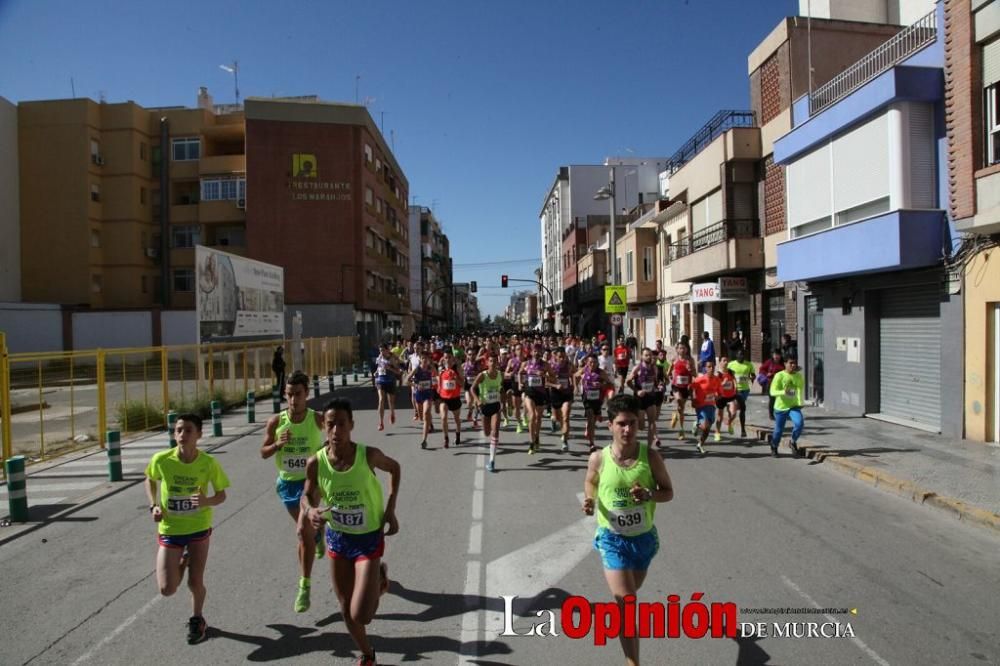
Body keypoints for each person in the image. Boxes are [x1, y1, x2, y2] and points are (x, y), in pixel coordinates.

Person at [303, 398, 400, 666]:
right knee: (346, 609)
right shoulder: (316, 463)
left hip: (368, 539)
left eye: (342, 424)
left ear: (351, 426)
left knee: (362, 615)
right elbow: (307, 495)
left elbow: (395, 468)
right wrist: (310, 510)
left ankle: (378, 580)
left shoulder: (368, 455)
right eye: (331, 424)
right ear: (324, 426)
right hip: (338, 539)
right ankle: (368, 654)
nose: (336, 431)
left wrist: (390, 509)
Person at [582, 394, 674, 666]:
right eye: (621, 423)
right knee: (628, 605)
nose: (628, 429)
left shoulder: (651, 457)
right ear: (609, 425)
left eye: (633, 423)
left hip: (643, 541)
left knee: (629, 597)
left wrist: (649, 495)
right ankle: (633, 662)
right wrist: (589, 499)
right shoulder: (598, 458)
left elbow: (668, 492)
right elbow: (590, 482)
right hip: (612, 540)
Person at [145, 413, 229, 645]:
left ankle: (197, 619)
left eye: (188, 430)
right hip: (170, 529)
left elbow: (222, 495)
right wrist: (153, 505)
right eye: (178, 430)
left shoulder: (208, 463)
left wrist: (206, 502)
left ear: (199, 435)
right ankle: (183, 561)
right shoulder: (162, 460)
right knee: (167, 589)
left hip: (198, 528)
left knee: (194, 582)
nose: (182, 435)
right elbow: (150, 478)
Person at [260, 371, 327, 612]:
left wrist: (328, 448)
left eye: (297, 394)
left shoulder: (317, 419)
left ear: (307, 394)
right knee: (308, 532)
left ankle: (304, 586)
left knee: (301, 531)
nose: (293, 400)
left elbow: (336, 437)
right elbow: (263, 452)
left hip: (311, 483)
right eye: (289, 395)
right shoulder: (276, 422)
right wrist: (278, 444)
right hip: (287, 484)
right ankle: (318, 536)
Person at [471, 354, 504, 472]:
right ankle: (478, 415)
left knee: (495, 432)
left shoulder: (500, 374)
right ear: (487, 363)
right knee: (486, 433)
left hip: (495, 405)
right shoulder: (482, 375)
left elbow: (501, 389)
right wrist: (478, 400)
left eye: (495, 361)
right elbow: (472, 389)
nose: (493, 363)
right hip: (484, 407)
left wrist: (504, 402)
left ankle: (492, 461)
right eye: (491, 361)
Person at [575, 353, 614, 452]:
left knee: (593, 419)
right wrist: (576, 388)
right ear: (587, 363)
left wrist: (601, 384)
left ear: (597, 363)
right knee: (591, 418)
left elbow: (610, 384)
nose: (592, 364)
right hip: (586, 398)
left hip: (597, 399)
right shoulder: (584, 370)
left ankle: (591, 423)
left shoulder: (601, 373)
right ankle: (592, 443)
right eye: (590, 362)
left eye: (594, 362)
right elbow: (575, 376)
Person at [770, 356, 805, 458]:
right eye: (791, 363)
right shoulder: (779, 376)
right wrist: (783, 392)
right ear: (785, 364)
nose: (793, 365)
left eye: (794, 363)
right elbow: (772, 392)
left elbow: (799, 390)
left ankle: (793, 442)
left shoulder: (798, 376)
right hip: (781, 407)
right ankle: (774, 445)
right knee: (779, 430)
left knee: (799, 423)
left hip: (793, 406)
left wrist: (800, 403)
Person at [627, 348, 660, 451]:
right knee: (641, 426)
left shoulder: (654, 368)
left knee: (652, 422)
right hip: (639, 399)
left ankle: (649, 448)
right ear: (641, 356)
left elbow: (655, 382)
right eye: (646, 355)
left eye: (650, 355)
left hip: (650, 397)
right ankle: (633, 443)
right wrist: (637, 391)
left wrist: (658, 386)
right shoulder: (637, 368)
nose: (649, 357)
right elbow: (628, 382)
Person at [690, 358, 722, 456]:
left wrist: (717, 397)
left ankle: (700, 444)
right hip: (701, 406)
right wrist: (693, 399)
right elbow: (691, 388)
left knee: (707, 429)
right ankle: (696, 425)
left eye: (712, 366)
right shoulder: (700, 379)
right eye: (709, 367)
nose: (711, 368)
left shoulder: (717, 379)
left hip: (711, 406)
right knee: (704, 426)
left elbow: (719, 392)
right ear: (705, 368)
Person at [406, 352, 436, 449]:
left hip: (428, 394)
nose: (425, 360)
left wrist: (436, 381)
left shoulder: (431, 368)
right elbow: (406, 380)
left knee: (426, 412)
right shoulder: (417, 369)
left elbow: (438, 376)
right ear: (420, 360)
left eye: (426, 359)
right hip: (418, 395)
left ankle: (424, 440)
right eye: (423, 358)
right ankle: (429, 423)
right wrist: (415, 385)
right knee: (422, 417)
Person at [437, 349, 466, 448]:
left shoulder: (457, 369)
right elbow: (439, 381)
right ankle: (446, 438)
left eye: (449, 357)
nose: (448, 359)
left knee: (456, 419)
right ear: (443, 359)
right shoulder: (441, 369)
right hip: (444, 398)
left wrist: (455, 378)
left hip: (455, 398)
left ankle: (458, 435)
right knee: (443, 418)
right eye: (446, 357)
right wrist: (439, 388)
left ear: (453, 358)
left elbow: (462, 384)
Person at [549, 348, 575, 452]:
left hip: (567, 394)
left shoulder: (569, 365)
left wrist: (574, 384)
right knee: (557, 418)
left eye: (564, 356)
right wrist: (555, 385)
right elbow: (545, 382)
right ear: (556, 357)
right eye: (560, 357)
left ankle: (564, 440)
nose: (562, 359)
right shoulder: (551, 367)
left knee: (565, 417)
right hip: (555, 394)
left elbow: (575, 374)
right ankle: (553, 420)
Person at [372, 344, 403, 432]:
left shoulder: (392, 359)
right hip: (380, 381)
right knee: (381, 400)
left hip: (390, 381)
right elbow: (379, 367)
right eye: (380, 350)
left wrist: (390, 368)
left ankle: (392, 413)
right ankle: (381, 422)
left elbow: (398, 372)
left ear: (387, 350)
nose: (381, 352)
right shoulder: (379, 357)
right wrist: (376, 372)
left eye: (383, 350)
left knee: (391, 402)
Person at [669, 342, 695, 440]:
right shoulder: (674, 359)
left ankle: (681, 429)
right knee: (679, 400)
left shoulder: (690, 360)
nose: (682, 350)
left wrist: (690, 369)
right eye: (680, 348)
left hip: (686, 387)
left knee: (681, 409)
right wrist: (669, 376)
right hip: (676, 386)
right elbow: (669, 370)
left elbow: (695, 373)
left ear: (686, 350)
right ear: (677, 350)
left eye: (683, 348)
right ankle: (676, 416)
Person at [727, 349, 755, 439]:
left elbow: (753, 374)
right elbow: (726, 375)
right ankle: (743, 430)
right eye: (739, 355)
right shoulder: (731, 364)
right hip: (735, 390)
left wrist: (752, 377)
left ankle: (730, 420)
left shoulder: (749, 364)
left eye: (743, 355)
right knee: (742, 408)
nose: (741, 356)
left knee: (738, 409)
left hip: (745, 390)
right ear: (736, 356)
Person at [714, 357, 738, 442]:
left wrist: (736, 386)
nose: (726, 362)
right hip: (721, 397)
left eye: (727, 360)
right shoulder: (718, 374)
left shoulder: (730, 372)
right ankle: (717, 433)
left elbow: (734, 380)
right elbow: (715, 386)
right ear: (720, 362)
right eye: (724, 360)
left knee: (734, 413)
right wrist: (722, 384)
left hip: (731, 396)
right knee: (720, 417)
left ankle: (729, 423)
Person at [758, 349, 785, 420]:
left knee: (779, 399)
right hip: (771, 383)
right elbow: (761, 369)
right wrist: (766, 374)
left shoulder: (782, 364)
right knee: (772, 399)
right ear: (772, 355)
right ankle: (771, 414)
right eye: (775, 355)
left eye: (778, 355)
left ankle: (779, 413)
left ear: (780, 356)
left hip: (780, 384)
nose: (776, 356)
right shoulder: (769, 362)